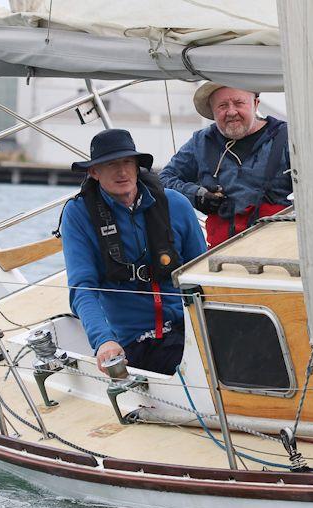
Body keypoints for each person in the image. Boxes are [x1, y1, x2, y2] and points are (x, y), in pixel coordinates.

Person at [60, 129, 207, 375]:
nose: (122, 171)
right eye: (111, 164)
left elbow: (202, 275)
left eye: (128, 162)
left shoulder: (177, 204)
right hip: (137, 342)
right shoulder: (78, 214)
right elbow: (82, 288)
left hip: (189, 329)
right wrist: (103, 341)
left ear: (138, 166)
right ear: (94, 172)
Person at [159, 83, 292, 247]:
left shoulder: (287, 137)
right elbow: (163, 180)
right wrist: (197, 195)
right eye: (222, 106)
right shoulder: (201, 142)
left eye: (238, 103)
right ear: (213, 111)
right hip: (222, 259)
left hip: (280, 251)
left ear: (255, 104)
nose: (231, 112)